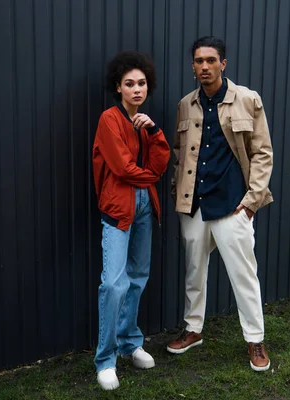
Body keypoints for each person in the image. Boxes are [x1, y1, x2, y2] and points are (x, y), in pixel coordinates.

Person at [167, 36, 274, 372]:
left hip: (232, 205)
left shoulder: (247, 100)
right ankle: (193, 329)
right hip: (195, 206)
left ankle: (255, 339)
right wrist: (176, 192)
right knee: (194, 272)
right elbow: (177, 154)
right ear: (193, 65)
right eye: (199, 61)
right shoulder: (186, 104)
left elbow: (262, 153)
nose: (204, 66)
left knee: (244, 275)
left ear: (223, 64)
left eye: (211, 60)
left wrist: (251, 202)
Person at [91, 51, 170, 390]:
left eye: (141, 83)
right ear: (118, 87)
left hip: (143, 207)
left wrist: (153, 131)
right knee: (113, 283)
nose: (137, 89)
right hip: (119, 208)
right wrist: (149, 176)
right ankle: (105, 359)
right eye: (129, 84)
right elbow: (123, 168)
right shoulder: (110, 119)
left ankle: (129, 343)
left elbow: (160, 162)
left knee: (137, 276)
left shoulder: (143, 123)